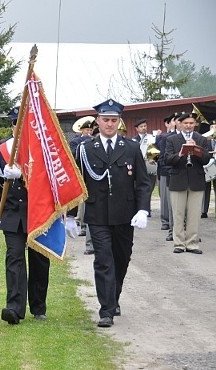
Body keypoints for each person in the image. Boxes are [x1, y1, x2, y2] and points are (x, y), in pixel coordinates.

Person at [72, 98, 150, 328]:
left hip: (125, 214)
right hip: (97, 215)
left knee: (121, 258)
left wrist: (143, 209)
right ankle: (106, 309)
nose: (109, 124)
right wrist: (70, 214)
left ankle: (113, 297)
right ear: (98, 121)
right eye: (105, 120)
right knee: (103, 260)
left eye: (114, 120)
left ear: (119, 122)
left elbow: (143, 183)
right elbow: (77, 183)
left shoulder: (131, 148)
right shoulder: (86, 149)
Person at [0, 111, 50, 325]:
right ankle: (14, 308)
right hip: (13, 214)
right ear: (12, 127)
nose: (20, 129)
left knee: (39, 260)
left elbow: (45, 181)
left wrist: (23, 175)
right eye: (17, 125)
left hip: (37, 213)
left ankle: (38, 306)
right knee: (14, 259)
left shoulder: (41, 150)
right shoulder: (3, 151)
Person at [164, 111, 212, 254]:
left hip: (196, 180)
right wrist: (181, 153)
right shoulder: (172, 139)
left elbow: (206, 159)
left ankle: (192, 243)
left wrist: (196, 149)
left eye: (191, 123)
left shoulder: (201, 139)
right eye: (185, 123)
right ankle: (179, 243)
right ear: (180, 124)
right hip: (178, 179)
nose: (188, 126)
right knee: (178, 214)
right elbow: (167, 159)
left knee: (194, 214)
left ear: (195, 124)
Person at [133, 119, 158, 216]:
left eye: (145, 126)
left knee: (149, 188)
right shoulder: (133, 140)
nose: (144, 128)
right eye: (141, 126)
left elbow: (156, 151)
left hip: (149, 166)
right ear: (137, 128)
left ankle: (147, 209)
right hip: (138, 167)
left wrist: (153, 160)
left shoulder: (152, 138)